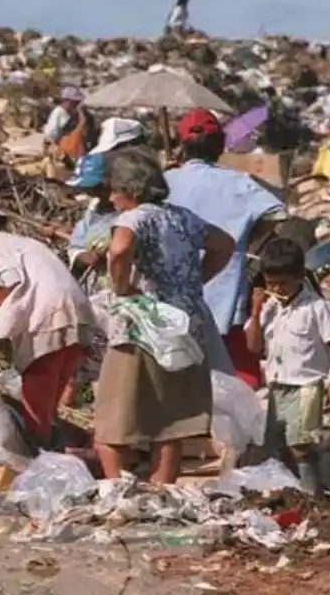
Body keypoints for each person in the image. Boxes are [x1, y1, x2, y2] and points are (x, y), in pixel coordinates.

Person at [95, 147, 235, 484]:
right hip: (184, 327)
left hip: (141, 328)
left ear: (131, 190)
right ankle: (162, 493)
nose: (112, 198)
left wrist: (122, 286)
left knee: (112, 421)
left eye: (115, 189)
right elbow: (225, 244)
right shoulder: (182, 217)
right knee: (170, 424)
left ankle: (117, 490)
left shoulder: (133, 218)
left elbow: (120, 249)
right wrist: (193, 281)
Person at [0, 192, 95, 448]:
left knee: (35, 407)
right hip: (77, 314)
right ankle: (55, 453)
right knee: (48, 407)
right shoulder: (22, 242)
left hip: (47, 319)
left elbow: (6, 281)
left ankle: (39, 459)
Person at [165, 108, 285, 387]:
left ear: (183, 145)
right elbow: (278, 214)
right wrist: (248, 247)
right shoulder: (238, 182)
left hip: (172, 294)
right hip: (224, 293)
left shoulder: (165, 182)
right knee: (232, 377)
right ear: (219, 146)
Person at [244, 237, 330, 495]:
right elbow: (253, 346)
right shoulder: (270, 308)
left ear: (300, 276)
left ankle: (313, 497)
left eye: (283, 283)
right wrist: (255, 311)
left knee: (301, 444)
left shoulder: (317, 307)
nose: (278, 289)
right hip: (278, 386)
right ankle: (290, 493)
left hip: (307, 385)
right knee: (276, 443)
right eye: (271, 283)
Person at [59, 118, 146, 405]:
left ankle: (107, 409)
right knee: (83, 355)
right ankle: (76, 405)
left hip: (120, 295)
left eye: (98, 189)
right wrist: (82, 256)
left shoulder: (131, 214)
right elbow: (75, 245)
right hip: (92, 294)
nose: (95, 196)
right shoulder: (92, 212)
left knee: (114, 356)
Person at [43, 86, 98, 166]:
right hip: (60, 149)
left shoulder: (70, 113)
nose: (77, 104)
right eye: (75, 102)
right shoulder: (59, 112)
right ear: (67, 101)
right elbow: (50, 135)